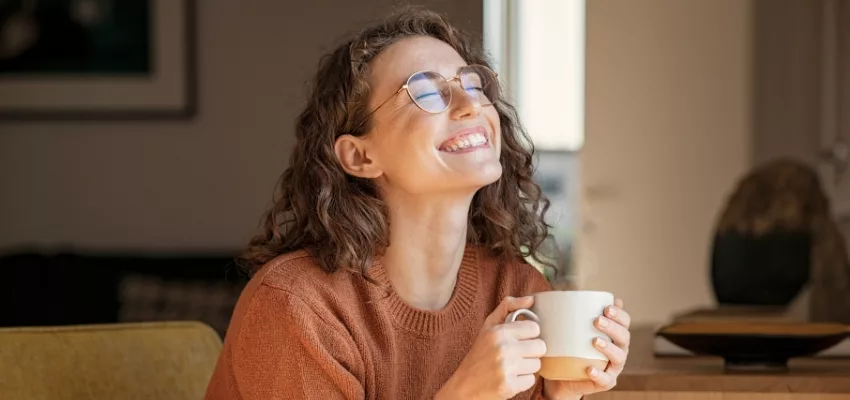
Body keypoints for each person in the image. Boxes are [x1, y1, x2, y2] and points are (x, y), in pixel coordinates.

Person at [204, 7, 631, 400]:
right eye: (425, 92)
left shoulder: (516, 293)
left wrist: (561, 394)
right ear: (361, 156)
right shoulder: (299, 308)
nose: (470, 106)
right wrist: (464, 394)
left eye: (473, 83)